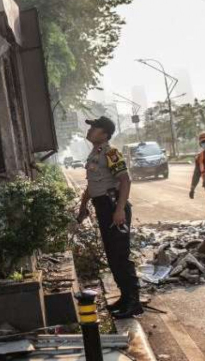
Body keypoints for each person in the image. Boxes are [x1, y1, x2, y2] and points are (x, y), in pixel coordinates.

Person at [77, 116, 142, 319]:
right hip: (103, 207)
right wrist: (83, 206)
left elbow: (125, 180)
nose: (90, 130)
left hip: (114, 206)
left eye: (95, 128)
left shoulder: (111, 153)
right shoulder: (95, 153)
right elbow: (92, 185)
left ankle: (134, 302)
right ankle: (124, 297)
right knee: (112, 255)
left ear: (104, 134)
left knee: (121, 255)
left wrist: (120, 210)